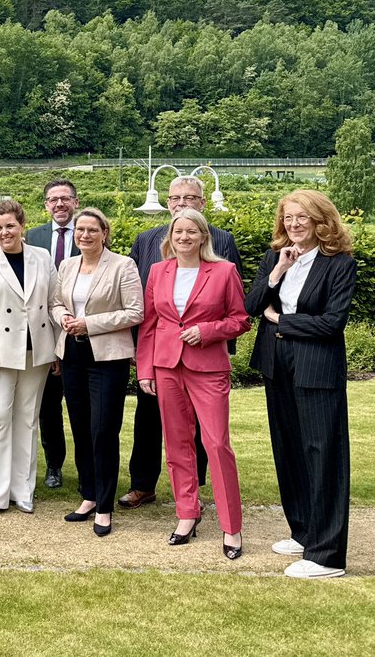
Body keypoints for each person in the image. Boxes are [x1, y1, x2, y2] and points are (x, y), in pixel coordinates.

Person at [245, 190, 357, 579]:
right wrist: (277, 272)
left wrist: (280, 322)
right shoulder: (276, 257)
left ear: (321, 221)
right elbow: (249, 306)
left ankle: (327, 555)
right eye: (289, 217)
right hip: (276, 365)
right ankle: (303, 531)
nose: (293, 225)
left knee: (322, 454)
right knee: (289, 449)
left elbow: (331, 323)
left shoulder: (338, 264)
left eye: (302, 218)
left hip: (316, 367)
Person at [121, 175, 242, 511]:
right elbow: (140, 302)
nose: (182, 202)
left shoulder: (222, 240)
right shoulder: (146, 240)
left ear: (202, 203)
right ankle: (143, 484)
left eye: (191, 197)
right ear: (168, 202)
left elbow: (233, 301)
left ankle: (196, 491)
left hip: (204, 354)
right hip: (160, 353)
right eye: (176, 197)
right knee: (148, 421)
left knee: (206, 432)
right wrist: (139, 353)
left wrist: (217, 338)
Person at [136, 209, 250, 559]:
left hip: (209, 368)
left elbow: (240, 319)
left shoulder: (224, 271)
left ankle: (232, 528)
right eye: (178, 231)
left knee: (216, 444)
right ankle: (187, 514)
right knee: (177, 445)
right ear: (170, 236)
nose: (184, 237)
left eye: (191, 231)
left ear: (203, 237)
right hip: (166, 365)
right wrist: (145, 370)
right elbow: (150, 324)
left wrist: (209, 331)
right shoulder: (158, 270)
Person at [49, 208, 143, 537]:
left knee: (103, 429)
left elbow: (135, 311)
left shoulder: (123, 265)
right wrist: (63, 317)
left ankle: (104, 506)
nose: (85, 235)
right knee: (80, 426)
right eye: (80, 230)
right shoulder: (67, 264)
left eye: (92, 230)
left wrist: (89, 323)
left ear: (105, 232)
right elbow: (55, 302)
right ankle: (88, 495)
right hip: (72, 352)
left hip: (107, 356)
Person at [0, 199, 58, 519]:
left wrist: (56, 348)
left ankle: (23, 490)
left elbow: (53, 302)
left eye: (10, 225)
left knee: (28, 419)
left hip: (38, 350)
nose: (5, 232)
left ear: (22, 225)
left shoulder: (42, 257)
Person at [25, 179, 79, 489]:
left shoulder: (89, 231)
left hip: (77, 331)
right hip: (42, 332)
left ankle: (87, 464)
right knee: (47, 407)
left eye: (64, 198)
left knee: (78, 404)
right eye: (52, 199)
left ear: (75, 201)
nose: (59, 204)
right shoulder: (33, 237)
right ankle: (54, 466)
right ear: (46, 204)